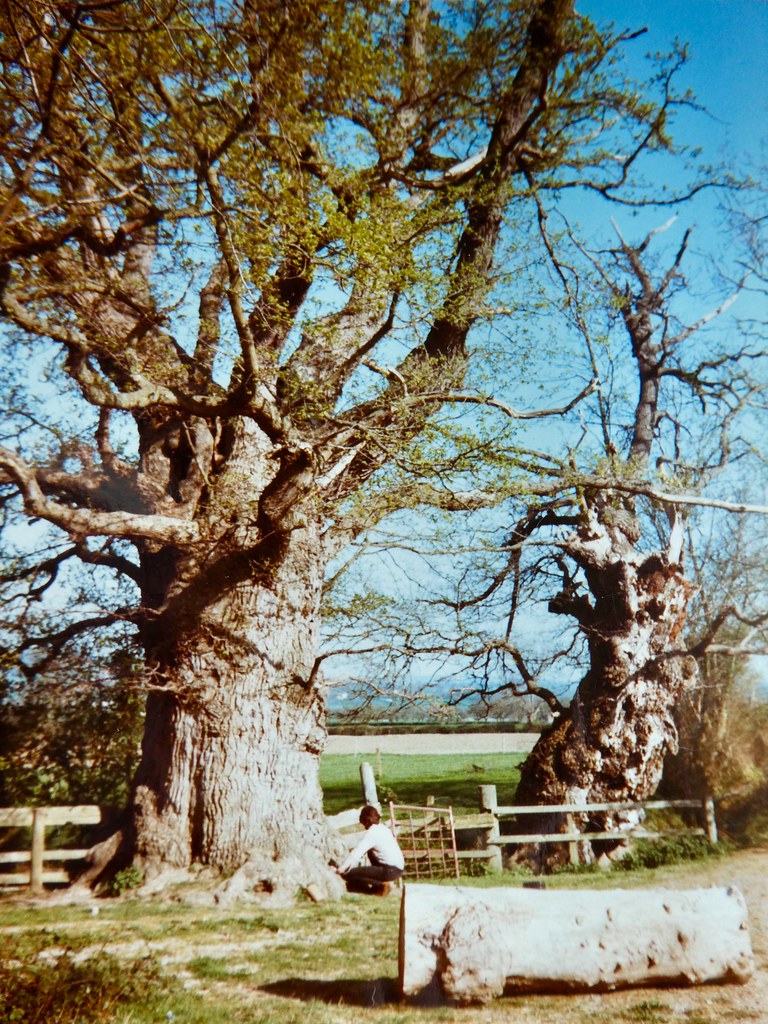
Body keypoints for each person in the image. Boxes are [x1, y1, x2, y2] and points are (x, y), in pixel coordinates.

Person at [337, 804, 404, 895]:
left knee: (351, 874)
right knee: (369, 852)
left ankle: (381, 885)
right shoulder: (383, 828)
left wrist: (341, 870)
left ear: (368, 820)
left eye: (363, 822)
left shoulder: (372, 833)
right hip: (397, 869)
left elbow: (357, 853)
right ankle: (377, 887)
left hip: (389, 870)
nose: (363, 825)